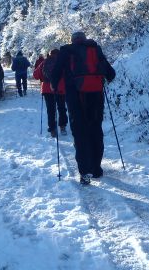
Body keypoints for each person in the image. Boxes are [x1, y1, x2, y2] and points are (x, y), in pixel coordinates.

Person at [51, 31, 115, 185]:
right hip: (96, 98)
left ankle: (85, 173)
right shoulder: (95, 49)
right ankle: (97, 169)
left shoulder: (66, 51)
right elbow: (111, 74)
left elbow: (55, 75)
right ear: (85, 40)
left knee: (80, 134)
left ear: (72, 40)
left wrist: (54, 87)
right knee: (95, 131)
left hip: (75, 99)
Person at [33, 49, 68, 138]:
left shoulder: (44, 62)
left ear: (49, 54)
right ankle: (63, 127)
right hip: (60, 88)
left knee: (50, 110)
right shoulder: (63, 62)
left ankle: (52, 129)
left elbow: (36, 75)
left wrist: (42, 78)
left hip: (47, 89)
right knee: (61, 107)